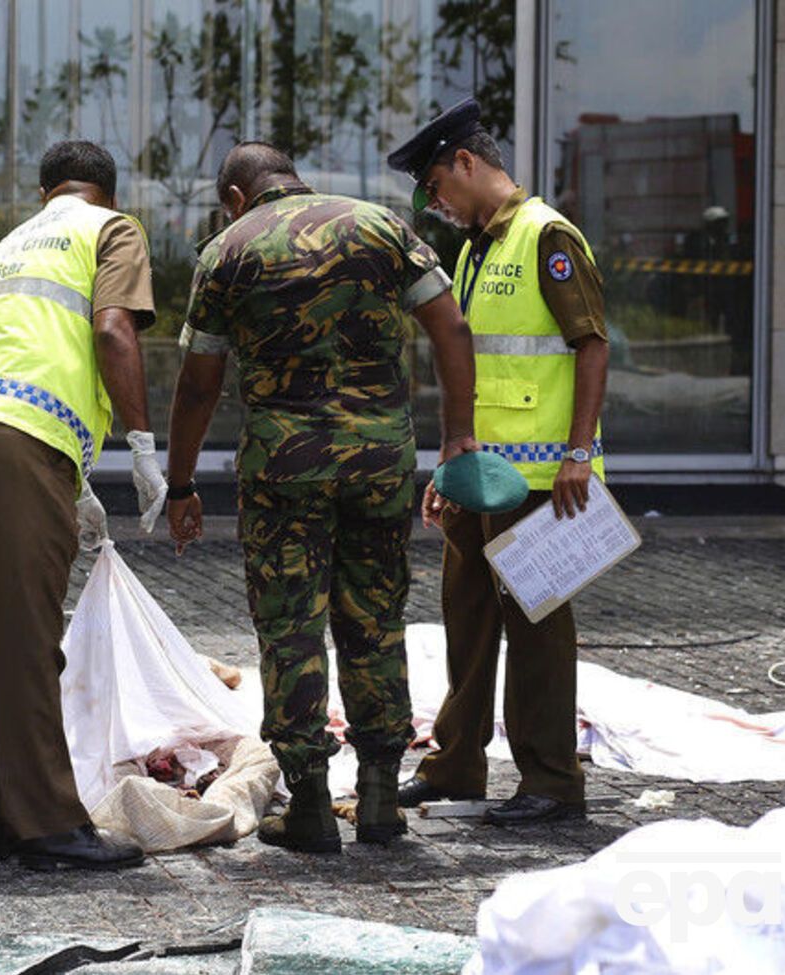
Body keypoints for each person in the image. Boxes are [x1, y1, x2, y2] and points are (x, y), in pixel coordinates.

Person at [166, 142, 477, 854]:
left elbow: (199, 384)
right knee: (376, 619)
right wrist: (458, 434)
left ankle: (307, 803)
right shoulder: (382, 226)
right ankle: (380, 796)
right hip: (380, 462)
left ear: (236, 197)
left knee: (291, 629)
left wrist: (181, 483)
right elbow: (450, 326)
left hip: (285, 471)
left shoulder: (227, 250)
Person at [0, 141, 166, 870]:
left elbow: (20, 347)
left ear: (44, 193)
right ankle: (50, 824)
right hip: (19, 435)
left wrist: (74, 477)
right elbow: (112, 329)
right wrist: (141, 445)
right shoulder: (111, 229)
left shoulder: (7, 245)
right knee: (26, 631)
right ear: (108, 193)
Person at [387, 98, 610, 825]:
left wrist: (578, 452)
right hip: (481, 476)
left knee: (537, 630)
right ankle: (456, 766)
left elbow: (592, 345)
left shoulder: (547, 236)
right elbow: (476, 369)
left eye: (436, 188)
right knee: (468, 619)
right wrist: (449, 465)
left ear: (466, 162)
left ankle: (552, 782)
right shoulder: (477, 248)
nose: (437, 205)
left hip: (543, 480)